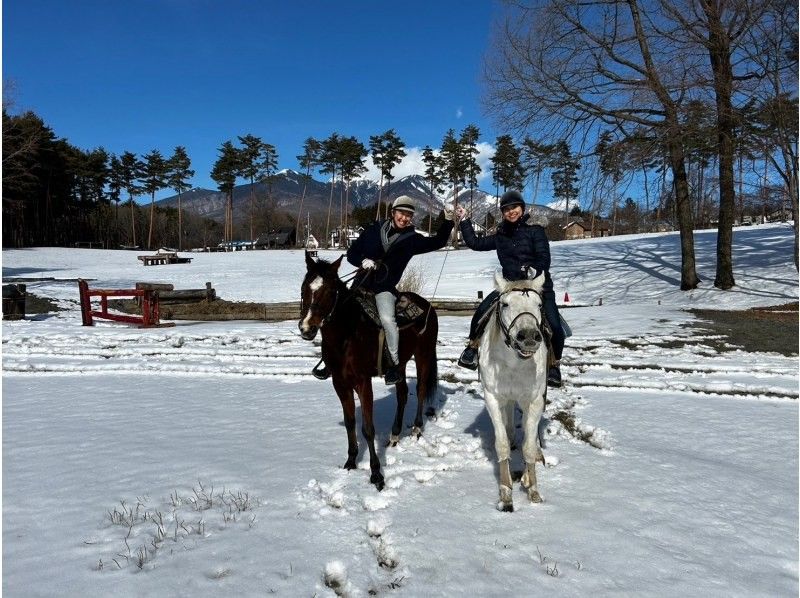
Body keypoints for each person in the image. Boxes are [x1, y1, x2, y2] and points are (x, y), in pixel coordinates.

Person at [313, 195, 454, 384]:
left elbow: (438, 241)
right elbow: (352, 253)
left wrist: (448, 219)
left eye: (408, 215)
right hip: (360, 285)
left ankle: (394, 366)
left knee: (388, 320)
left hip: (383, 289)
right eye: (401, 213)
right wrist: (362, 260)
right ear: (393, 213)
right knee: (335, 313)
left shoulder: (412, 239)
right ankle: (328, 360)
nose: (404, 218)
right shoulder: (373, 230)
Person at [455, 190, 565, 387]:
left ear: (522, 209)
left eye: (514, 207)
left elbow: (544, 258)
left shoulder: (536, 231)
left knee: (555, 326)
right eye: (506, 209)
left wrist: (534, 269)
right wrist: (464, 220)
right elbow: (475, 243)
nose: (511, 212)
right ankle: (472, 349)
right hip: (509, 288)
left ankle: (554, 365)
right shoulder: (500, 236)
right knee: (481, 312)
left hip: (538, 288)